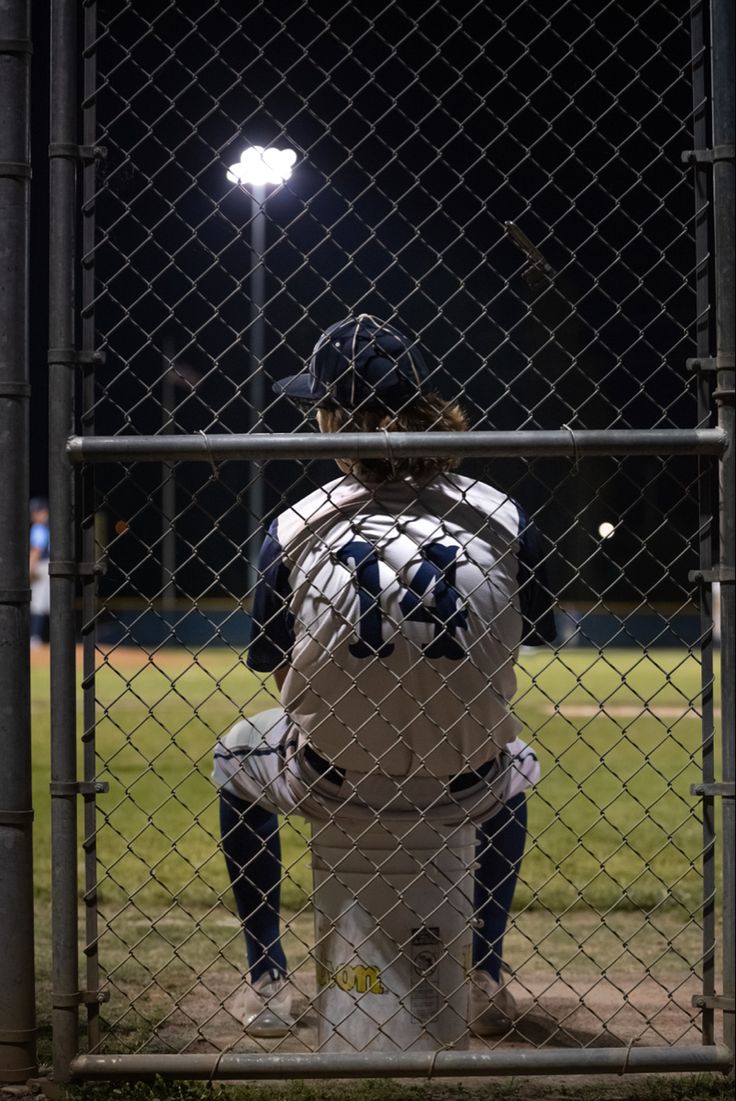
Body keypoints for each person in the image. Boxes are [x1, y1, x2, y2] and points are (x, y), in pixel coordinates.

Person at [213, 314, 556, 1038]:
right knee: (516, 760)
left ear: (337, 418)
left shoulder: (297, 522)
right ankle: (484, 972)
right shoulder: (502, 513)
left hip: (330, 776)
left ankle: (269, 977)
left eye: (319, 408)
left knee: (233, 753)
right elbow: (532, 637)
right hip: (469, 779)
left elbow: (273, 664)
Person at [29, 497, 51, 647]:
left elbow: (36, 551)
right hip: (48, 567)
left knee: (37, 603)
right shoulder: (48, 528)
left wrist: (30, 568)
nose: (34, 514)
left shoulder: (38, 528)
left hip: (40, 566)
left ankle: (35, 637)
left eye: (37, 511)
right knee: (47, 604)